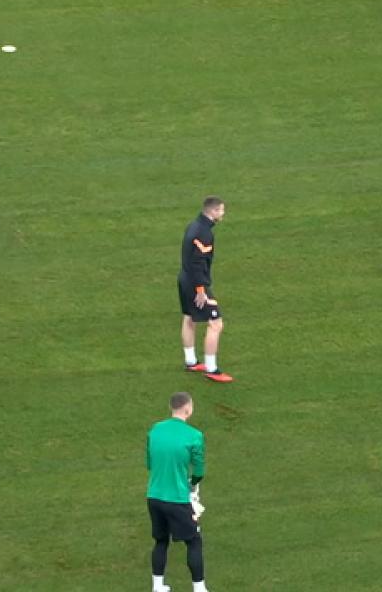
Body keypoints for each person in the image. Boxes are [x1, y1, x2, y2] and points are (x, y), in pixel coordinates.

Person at [147, 392, 210, 592]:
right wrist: (192, 483)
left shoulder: (155, 430)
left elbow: (150, 463)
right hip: (178, 499)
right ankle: (199, 588)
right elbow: (199, 471)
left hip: (154, 496)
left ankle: (158, 586)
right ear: (187, 409)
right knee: (193, 540)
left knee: (161, 540)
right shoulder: (194, 435)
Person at [178, 196, 232, 383]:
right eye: (222, 210)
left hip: (184, 279)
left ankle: (191, 361)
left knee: (189, 318)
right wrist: (200, 290)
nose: (223, 214)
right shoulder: (204, 233)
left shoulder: (193, 225)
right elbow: (198, 262)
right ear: (213, 211)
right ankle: (212, 368)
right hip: (195, 283)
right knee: (216, 323)